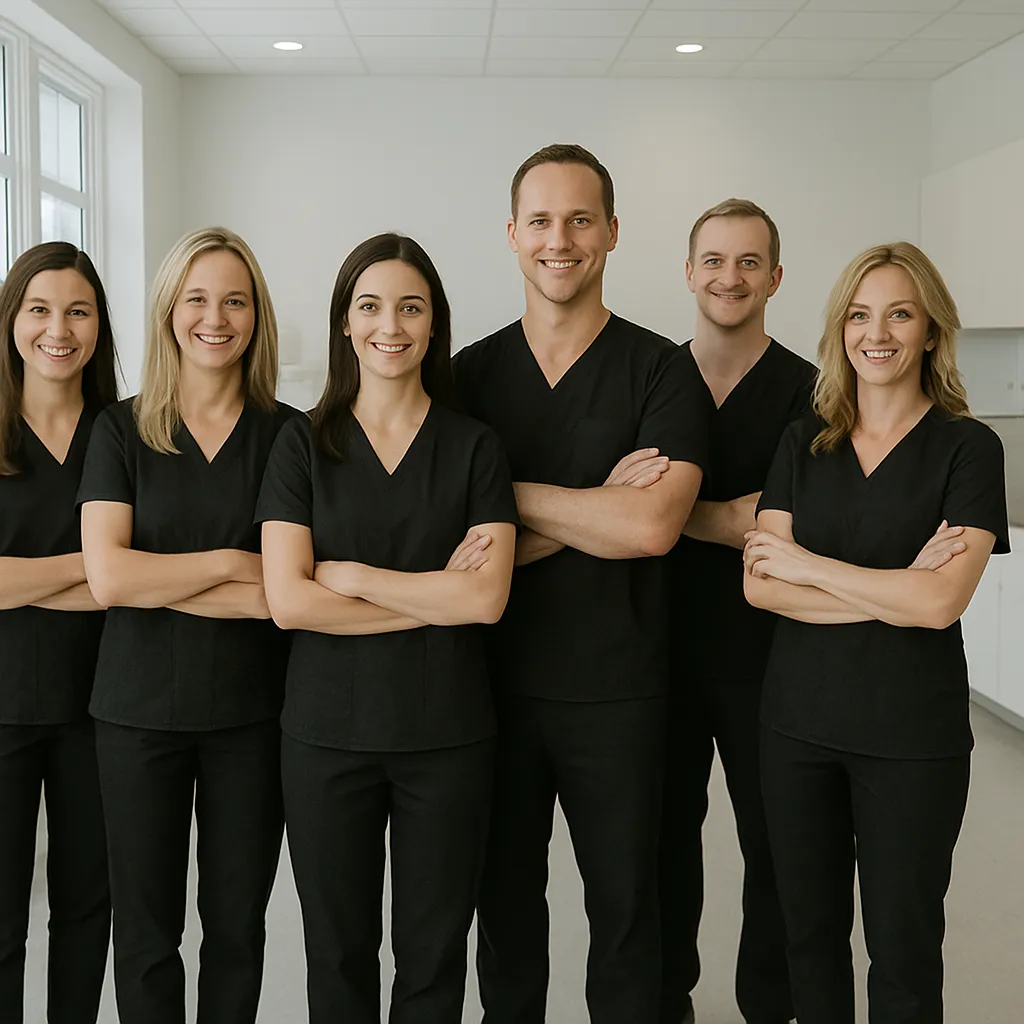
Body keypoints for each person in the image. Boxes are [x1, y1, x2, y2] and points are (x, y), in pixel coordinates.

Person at [453, 143, 710, 1023]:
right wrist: (595, 504)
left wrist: (505, 498)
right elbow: (442, 552)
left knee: (631, 912)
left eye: (579, 219)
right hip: (489, 691)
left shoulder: (662, 369)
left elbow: (651, 526)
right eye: (540, 220)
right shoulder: (465, 376)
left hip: (623, 693)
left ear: (610, 233)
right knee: (506, 914)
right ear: (512, 234)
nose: (558, 239)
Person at [744, 241, 1008, 1024]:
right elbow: (760, 585)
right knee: (810, 940)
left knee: (903, 950)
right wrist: (893, 587)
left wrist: (810, 567)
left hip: (910, 740)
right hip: (796, 729)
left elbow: (939, 606)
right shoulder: (804, 442)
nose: (878, 333)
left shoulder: (969, 448)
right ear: (840, 330)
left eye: (900, 313)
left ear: (931, 329)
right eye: (859, 315)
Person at [258, 232, 517, 1024]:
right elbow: (290, 603)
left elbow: (484, 603)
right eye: (370, 306)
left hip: (446, 740)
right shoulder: (300, 442)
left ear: (435, 325)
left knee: (433, 958)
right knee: (337, 955)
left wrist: (361, 579)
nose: (390, 325)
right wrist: (430, 593)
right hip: (325, 740)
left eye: (412, 307)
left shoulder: (474, 446)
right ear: (344, 322)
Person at [78, 227, 297, 1024]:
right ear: (170, 310)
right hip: (135, 718)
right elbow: (109, 576)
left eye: (235, 299)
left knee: (237, 929)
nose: (216, 316)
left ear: (256, 316)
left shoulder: (288, 435)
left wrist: (162, 578)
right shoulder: (120, 430)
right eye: (198, 298)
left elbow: (288, 595)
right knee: (145, 933)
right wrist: (234, 564)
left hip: (253, 717)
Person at [660, 199, 815, 1024]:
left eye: (749, 262)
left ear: (776, 278)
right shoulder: (654, 376)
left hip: (770, 659)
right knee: (663, 848)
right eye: (714, 260)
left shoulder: (812, 393)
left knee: (776, 849)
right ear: (689, 273)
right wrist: (746, 517)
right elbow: (765, 517)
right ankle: (666, 1003)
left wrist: (659, 514)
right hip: (658, 651)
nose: (730, 277)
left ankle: (769, 1007)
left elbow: (804, 519)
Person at [0, 242, 117, 1024]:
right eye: (39, 309)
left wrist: (23, 582)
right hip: (2, 711)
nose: (58, 330)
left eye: (78, 311)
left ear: (100, 326)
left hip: (102, 709)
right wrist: (97, 568)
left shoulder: (127, 434)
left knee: (86, 910)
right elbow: (116, 576)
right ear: (12, 320)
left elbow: (135, 583)